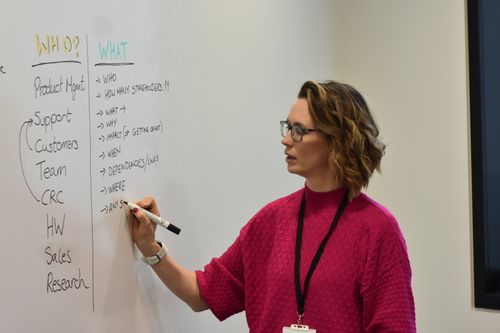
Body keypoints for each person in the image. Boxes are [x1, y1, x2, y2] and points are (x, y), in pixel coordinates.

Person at [129, 80, 416, 333]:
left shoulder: (377, 229)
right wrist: (149, 247)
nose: (286, 139)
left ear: (336, 140)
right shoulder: (271, 221)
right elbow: (202, 293)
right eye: (287, 127)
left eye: (299, 130)